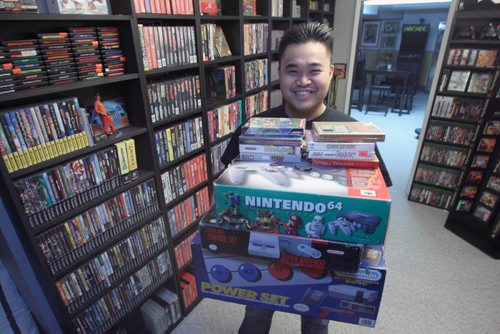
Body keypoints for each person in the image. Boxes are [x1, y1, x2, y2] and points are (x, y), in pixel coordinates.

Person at [220, 22, 392, 334]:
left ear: (331, 73)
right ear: (279, 73)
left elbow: (379, 203)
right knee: (257, 315)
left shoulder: (353, 134)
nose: (303, 81)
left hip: (327, 261)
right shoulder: (255, 127)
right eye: (292, 70)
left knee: (316, 320)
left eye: (314, 70)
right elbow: (225, 185)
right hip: (263, 250)